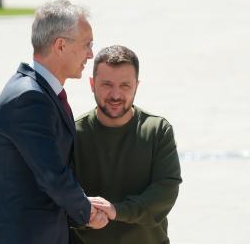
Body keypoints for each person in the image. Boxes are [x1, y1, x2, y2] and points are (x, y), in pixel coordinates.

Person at [0, 0, 108, 244]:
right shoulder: (29, 98)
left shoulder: (39, 92)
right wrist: (87, 212)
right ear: (60, 45)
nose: (91, 54)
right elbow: (53, 175)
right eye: (86, 45)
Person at [71, 45, 182, 244]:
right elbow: (60, 195)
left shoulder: (157, 130)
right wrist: (84, 216)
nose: (115, 95)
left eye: (125, 85)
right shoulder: (73, 134)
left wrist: (117, 211)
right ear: (92, 84)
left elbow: (165, 191)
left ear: (136, 86)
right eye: (106, 84)